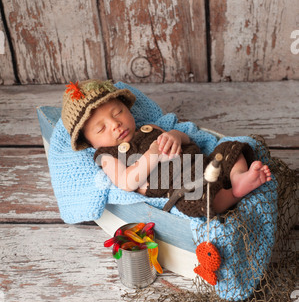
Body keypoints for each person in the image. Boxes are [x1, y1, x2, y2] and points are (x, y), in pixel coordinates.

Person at [61, 79, 271, 217]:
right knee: (194, 201)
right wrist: (152, 155)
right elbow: (126, 182)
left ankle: (238, 175)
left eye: (118, 112)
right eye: (101, 128)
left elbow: (187, 139)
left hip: (203, 163)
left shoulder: (149, 128)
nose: (115, 124)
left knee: (230, 147)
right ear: (90, 143)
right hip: (181, 185)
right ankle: (235, 192)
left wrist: (174, 136)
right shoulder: (106, 156)